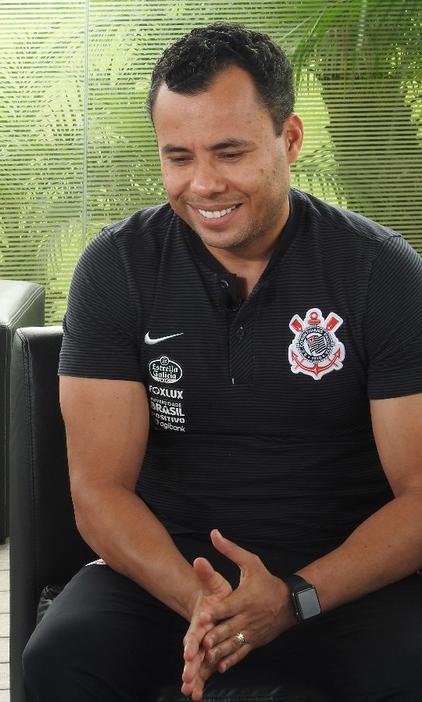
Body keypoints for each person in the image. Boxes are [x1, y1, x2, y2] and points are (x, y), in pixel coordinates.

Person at [23, 22, 422, 702]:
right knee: (62, 659)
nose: (203, 184)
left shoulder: (377, 271)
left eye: (229, 153)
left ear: (289, 139)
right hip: (168, 575)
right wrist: (206, 607)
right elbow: (99, 494)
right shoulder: (116, 267)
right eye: (178, 157)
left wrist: (294, 599)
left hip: (338, 582)